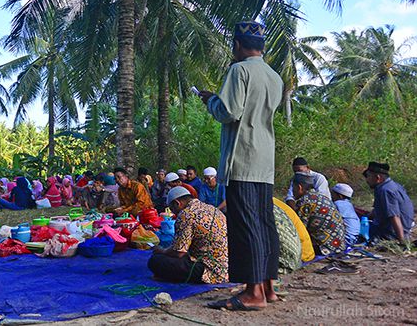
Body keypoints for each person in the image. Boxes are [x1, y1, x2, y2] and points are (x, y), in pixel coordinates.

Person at [202, 21, 283, 311]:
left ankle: (253, 294)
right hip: (265, 158)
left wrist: (211, 100)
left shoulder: (239, 71)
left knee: (245, 225)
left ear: (237, 45)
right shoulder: (275, 77)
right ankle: (269, 287)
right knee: (263, 222)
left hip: (243, 158)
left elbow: (229, 111)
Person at [147, 187, 228, 284]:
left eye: (172, 209)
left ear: (177, 203)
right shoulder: (213, 209)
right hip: (226, 267)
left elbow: (179, 252)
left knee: (155, 261)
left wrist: (162, 251)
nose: (174, 213)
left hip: (208, 270)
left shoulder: (186, 214)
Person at [292, 172, 345, 255]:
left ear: (299, 187)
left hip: (325, 248)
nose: (292, 192)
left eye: (293, 188)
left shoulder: (305, 201)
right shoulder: (322, 197)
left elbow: (300, 230)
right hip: (339, 245)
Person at [363, 162, 414, 245]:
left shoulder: (385, 190)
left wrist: (402, 241)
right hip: (402, 228)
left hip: (390, 234)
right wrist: (366, 216)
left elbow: (394, 216)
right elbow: (378, 210)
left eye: (368, 176)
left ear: (378, 178)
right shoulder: (393, 185)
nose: (367, 180)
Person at [330, 183, 360, 248]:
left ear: (340, 196)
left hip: (345, 239)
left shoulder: (337, 204)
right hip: (354, 238)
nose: (331, 196)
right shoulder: (349, 205)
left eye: (333, 194)